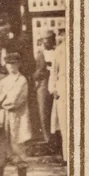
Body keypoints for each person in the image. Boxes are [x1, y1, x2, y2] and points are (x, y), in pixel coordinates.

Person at [0, 51, 31, 176]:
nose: (11, 66)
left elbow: (15, 101)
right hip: (3, 118)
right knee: (0, 149)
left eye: (14, 63)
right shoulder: (4, 81)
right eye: (8, 64)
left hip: (16, 118)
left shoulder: (22, 80)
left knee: (17, 148)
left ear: (18, 64)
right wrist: (1, 99)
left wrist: (2, 100)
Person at [34, 27, 57, 145]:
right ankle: (47, 138)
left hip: (55, 82)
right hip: (43, 83)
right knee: (43, 111)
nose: (46, 42)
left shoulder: (58, 52)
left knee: (56, 111)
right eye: (44, 40)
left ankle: (57, 138)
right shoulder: (40, 54)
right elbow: (36, 72)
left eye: (49, 39)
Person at [48, 26, 67, 162]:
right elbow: (53, 72)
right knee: (65, 124)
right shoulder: (59, 50)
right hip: (63, 88)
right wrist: (53, 88)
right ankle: (68, 157)